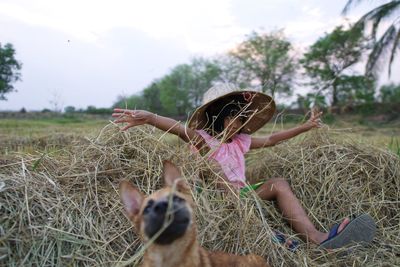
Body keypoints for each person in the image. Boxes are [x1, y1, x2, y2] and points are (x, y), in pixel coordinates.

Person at [112, 84, 376, 250]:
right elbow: (178, 128)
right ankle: (265, 235)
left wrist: (304, 127)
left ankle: (318, 238)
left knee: (279, 184)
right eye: (232, 117)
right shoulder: (203, 140)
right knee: (215, 173)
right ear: (218, 116)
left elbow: (272, 139)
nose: (237, 123)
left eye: (241, 118)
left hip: (243, 194)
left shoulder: (241, 142)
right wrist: (149, 118)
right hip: (214, 198)